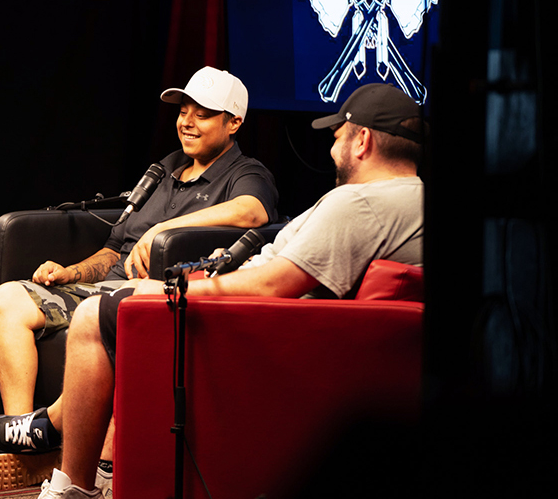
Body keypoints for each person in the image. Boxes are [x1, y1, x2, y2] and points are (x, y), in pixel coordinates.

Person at [33, 82, 426, 498]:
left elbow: (274, 284)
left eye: (336, 138)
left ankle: (69, 482)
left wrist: (176, 292)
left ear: (361, 140)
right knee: (127, 295)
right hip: (284, 324)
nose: (332, 150)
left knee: (98, 312)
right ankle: (66, 439)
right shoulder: (410, 199)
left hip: (264, 332)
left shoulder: (360, 202)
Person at [0, 67, 279, 491]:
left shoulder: (246, 172)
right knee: (8, 298)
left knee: (109, 318)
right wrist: (70, 272)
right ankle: (25, 442)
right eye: (183, 110)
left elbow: (253, 212)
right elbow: (114, 249)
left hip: (151, 296)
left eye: (202, 114)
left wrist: (160, 233)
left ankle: (78, 453)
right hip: (107, 284)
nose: (186, 121)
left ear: (234, 123)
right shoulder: (165, 168)